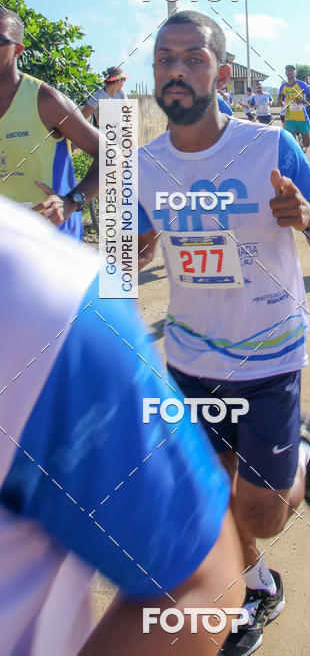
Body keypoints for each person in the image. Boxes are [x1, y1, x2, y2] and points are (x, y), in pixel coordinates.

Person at [136, 11, 310, 656]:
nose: (176, 70)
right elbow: (126, 260)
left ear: (220, 72)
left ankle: (304, 456)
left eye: (193, 58)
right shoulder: (141, 165)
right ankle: (255, 588)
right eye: (165, 59)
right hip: (191, 358)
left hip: (268, 358)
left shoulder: (267, 145)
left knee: (258, 510)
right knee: (209, 498)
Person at [0, 196, 245, 656]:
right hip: (178, 353)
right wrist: (126, 251)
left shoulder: (37, 298)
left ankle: (294, 464)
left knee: (253, 506)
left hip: (264, 355)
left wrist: (72, 204)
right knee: (220, 476)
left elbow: (199, 579)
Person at [0, 6, 99, 240]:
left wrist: (72, 201)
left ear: (18, 50)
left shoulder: (45, 101)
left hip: (51, 248)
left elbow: (113, 154)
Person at [277, 65, 310, 152]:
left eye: (291, 70)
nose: (289, 72)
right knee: (291, 142)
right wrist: (281, 103)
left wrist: (302, 101)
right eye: (287, 70)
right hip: (289, 118)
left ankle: (302, 146)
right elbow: (280, 103)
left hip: (302, 117)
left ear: (295, 73)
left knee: (307, 142)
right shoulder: (283, 87)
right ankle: (297, 157)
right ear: (285, 73)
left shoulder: (302, 84)